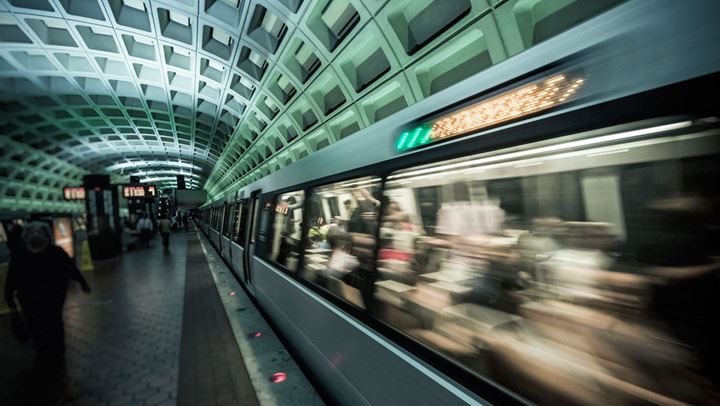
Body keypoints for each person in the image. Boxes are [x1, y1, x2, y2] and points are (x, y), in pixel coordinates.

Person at [4, 222, 91, 404]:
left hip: (53, 301)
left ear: (46, 236)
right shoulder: (20, 256)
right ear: (26, 237)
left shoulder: (56, 253)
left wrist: (82, 282)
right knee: (38, 331)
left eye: (39, 232)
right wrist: (9, 296)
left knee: (54, 327)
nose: (36, 235)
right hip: (30, 303)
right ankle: (45, 358)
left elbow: (70, 268)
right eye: (32, 232)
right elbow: (12, 278)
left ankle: (56, 359)